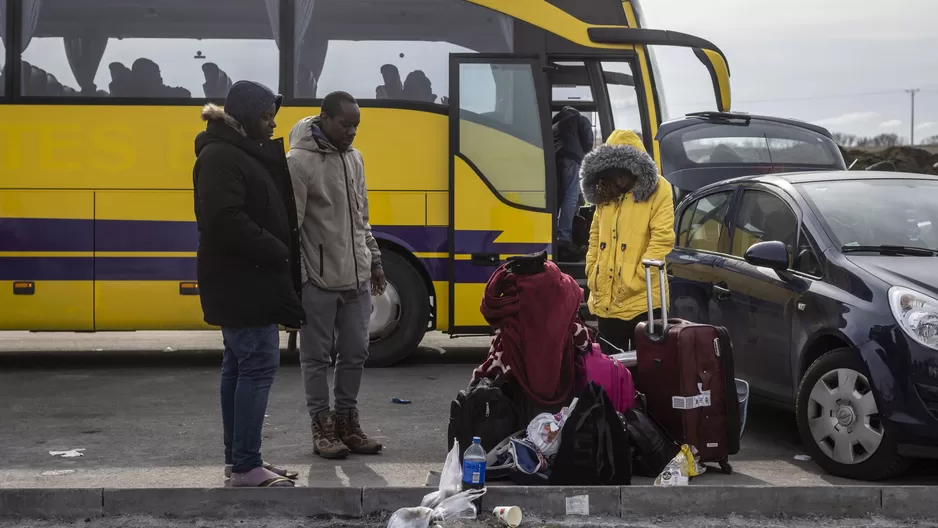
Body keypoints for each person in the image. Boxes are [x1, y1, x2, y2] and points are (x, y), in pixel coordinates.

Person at [192, 81, 305, 487]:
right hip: (243, 281)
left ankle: (241, 461)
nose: (272, 124)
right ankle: (245, 465)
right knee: (256, 366)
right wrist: (276, 249)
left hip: (244, 279)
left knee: (239, 368)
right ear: (242, 117)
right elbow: (224, 219)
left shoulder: (235, 152)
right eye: (264, 116)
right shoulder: (222, 156)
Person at [287, 91, 386, 460]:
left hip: (357, 277)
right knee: (316, 358)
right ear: (324, 118)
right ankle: (321, 426)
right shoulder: (298, 162)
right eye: (346, 125)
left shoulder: (355, 159)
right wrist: (303, 280)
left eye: (356, 125)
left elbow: (362, 218)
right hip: (319, 280)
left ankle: (347, 421)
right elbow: (291, 230)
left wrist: (374, 261)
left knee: (356, 353)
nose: (352, 132)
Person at [581, 129, 675, 353]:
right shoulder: (604, 192)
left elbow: (662, 239)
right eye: (615, 171)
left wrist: (637, 278)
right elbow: (595, 234)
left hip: (645, 300)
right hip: (607, 298)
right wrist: (592, 268)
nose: (620, 177)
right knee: (611, 370)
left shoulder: (660, 189)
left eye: (626, 170)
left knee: (650, 369)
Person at [552, 106, 595, 261]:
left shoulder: (555, 124)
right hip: (572, 158)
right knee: (570, 197)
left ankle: (554, 233)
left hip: (555, 160)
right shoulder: (580, 119)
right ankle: (563, 236)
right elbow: (588, 141)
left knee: (559, 199)